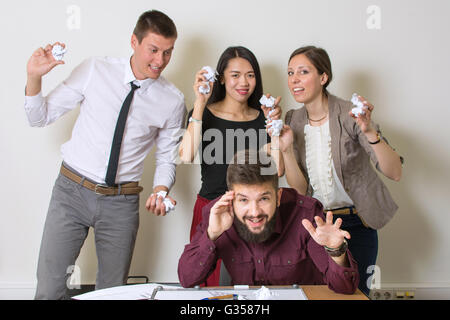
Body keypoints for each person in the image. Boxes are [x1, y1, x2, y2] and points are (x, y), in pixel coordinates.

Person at [24, 10, 186, 299]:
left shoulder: (172, 100)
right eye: (153, 50)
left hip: (121, 203)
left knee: (112, 293)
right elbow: (40, 117)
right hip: (71, 191)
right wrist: (34, 77)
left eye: (168, 52)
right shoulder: (95, 69)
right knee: (50, 289)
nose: (160, 61)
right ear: (134, 42)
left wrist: (161, 189)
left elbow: (165, 157)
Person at [274, 45, 403, 296]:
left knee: (356, 294)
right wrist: (286, 149)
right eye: (290, 73)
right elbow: (300, 189)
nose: (294, 80)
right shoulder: (292, 120)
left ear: (323, 78)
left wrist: (368, 131)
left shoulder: (350, 115)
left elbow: (394, 171)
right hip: (316, 225)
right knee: (317, 293)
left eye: (303, 72)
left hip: (355, 224)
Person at [178, 150, 359, 294]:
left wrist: (336, 251)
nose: (255, 212)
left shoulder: (306, 214)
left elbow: (345, 288)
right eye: (243, 200)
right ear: (231, 198)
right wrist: (212, 234)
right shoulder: (216, 213)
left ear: (278, 197)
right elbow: (187, 279)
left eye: (264, 199)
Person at [178, 46, 281, 286]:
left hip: (252, 212)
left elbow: (275, 169)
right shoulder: (204, 113)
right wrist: (200, 103)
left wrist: (274, 129)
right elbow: (186, 155)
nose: (243, 82)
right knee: (206, 280)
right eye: (235, 75)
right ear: (221, 78)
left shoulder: (262, 118)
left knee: (252, 281)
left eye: (250, 75)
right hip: (211, 208)